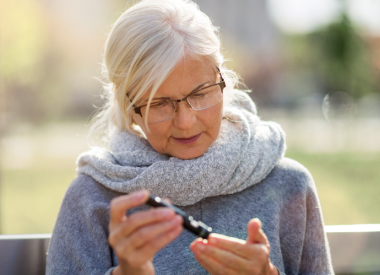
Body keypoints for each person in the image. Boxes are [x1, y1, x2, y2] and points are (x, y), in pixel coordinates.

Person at [46, 0, 334, 274]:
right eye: (159, 104)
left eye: (200, 93)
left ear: (223, 81)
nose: (185, 122)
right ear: (129, 108)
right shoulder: (90, 201)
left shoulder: (290, 186)